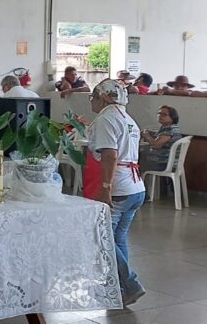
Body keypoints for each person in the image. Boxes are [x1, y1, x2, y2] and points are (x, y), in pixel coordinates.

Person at [86, 79, 145, 306]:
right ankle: (120, 288)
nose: (92, 101)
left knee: (101, 238)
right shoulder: (128, 118)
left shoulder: (106, 118)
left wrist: (105, 188)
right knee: (118, 239)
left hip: (118, 187)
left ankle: (130, 284)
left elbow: (110, 155)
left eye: (93, 96)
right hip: (135, 187)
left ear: (104, 97)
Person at [141, 106, 182, 171]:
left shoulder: (169, 129)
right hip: (171, 162)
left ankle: (137, 179)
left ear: (172, 117)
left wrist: (146, 135)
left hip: (164, 163)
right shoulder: (173, 127)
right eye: (159, 113)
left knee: (139, 154)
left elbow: (155, 145)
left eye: (164, 115)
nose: (160, 116)